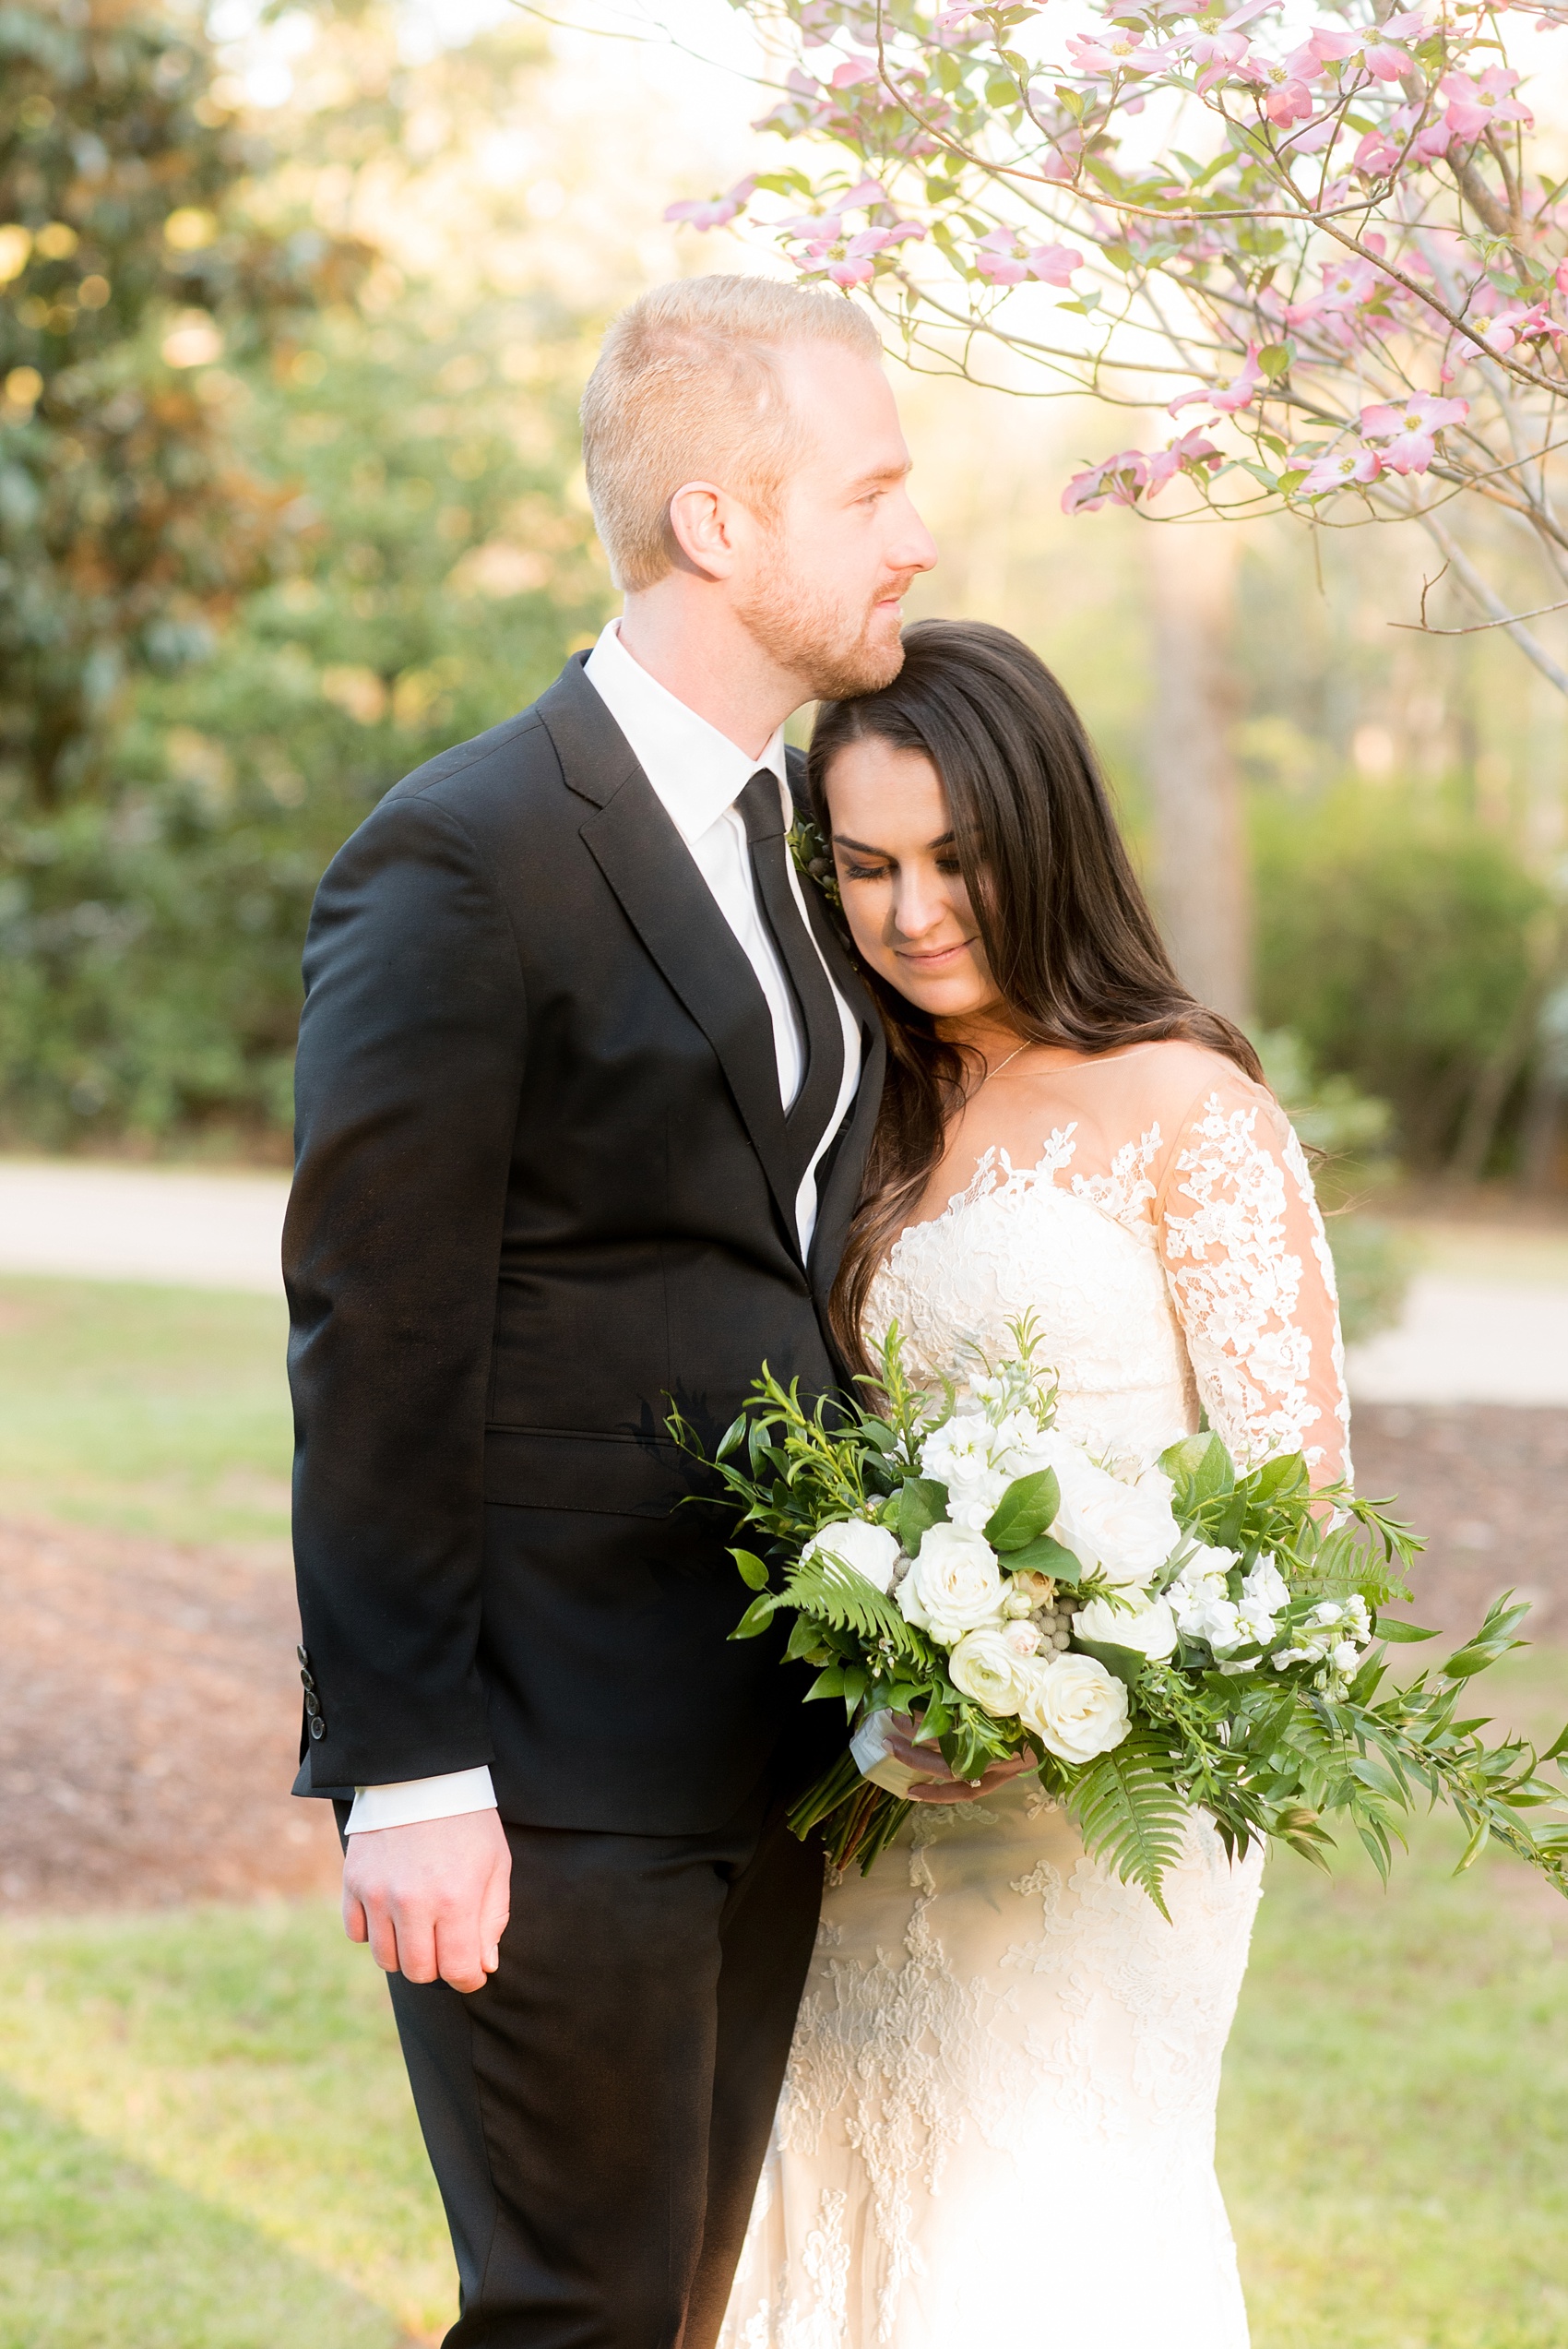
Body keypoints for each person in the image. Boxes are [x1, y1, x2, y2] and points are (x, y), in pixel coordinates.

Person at [282, 274, 935, 2347]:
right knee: (574, 2313)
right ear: (720, 528)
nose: (911, 535)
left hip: (755, 1742)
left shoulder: (795, 841)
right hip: (546, 1768)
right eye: (871, 489)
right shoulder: (462, 856)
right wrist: (407, 1771)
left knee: (672, 2307)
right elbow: (372, 1334)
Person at [719, 619, 1349, 2348]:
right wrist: (887, 1696)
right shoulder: (856, 1107)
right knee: (836, 2186)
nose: (914, 912)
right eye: (867, 867)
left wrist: (1099, 1682)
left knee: (1024, 2225)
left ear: (1047, 837)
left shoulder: (1185, 1106)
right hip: (880, 1787)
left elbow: (1305, 1531)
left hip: (1109, 1820)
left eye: (957, 860)